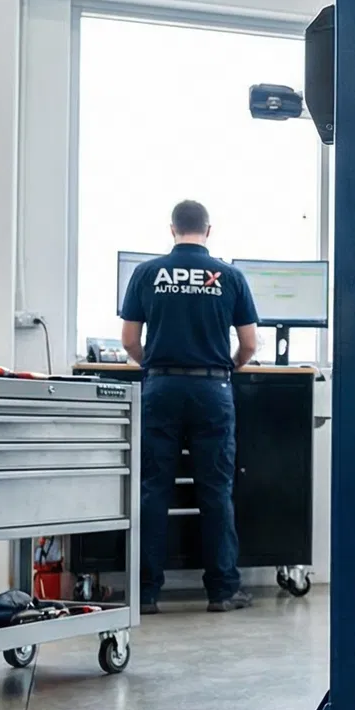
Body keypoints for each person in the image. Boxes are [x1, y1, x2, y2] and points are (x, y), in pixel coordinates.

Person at [119, 200, 259, 615]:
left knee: (153, 490)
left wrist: (155, 366)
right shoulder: (230, 276)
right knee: (216, 491)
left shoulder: (147, 273)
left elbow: (128, 340)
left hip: (160, 388)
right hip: (212, 390)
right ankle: (222, 590)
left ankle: (145, 593)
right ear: (208, 231)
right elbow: (250, 344)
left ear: (172, 229)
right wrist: (224, 368)